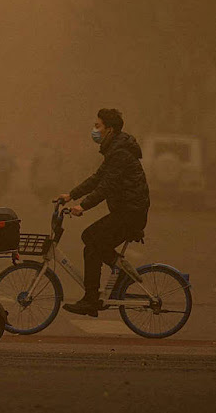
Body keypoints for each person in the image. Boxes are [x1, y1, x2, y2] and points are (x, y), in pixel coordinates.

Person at [59, 108, 150, 316]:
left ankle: (91, 300)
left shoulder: (120, 153)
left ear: (109, 130)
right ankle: (121, 271)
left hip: (130, 214)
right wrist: (70, 195)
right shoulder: (115, 150)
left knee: (92, 241)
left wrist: (83, 206)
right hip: (127, 212)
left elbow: (106, 186)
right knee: (92, 239)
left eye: (97, 126)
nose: (94, 130)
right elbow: (97, 178)